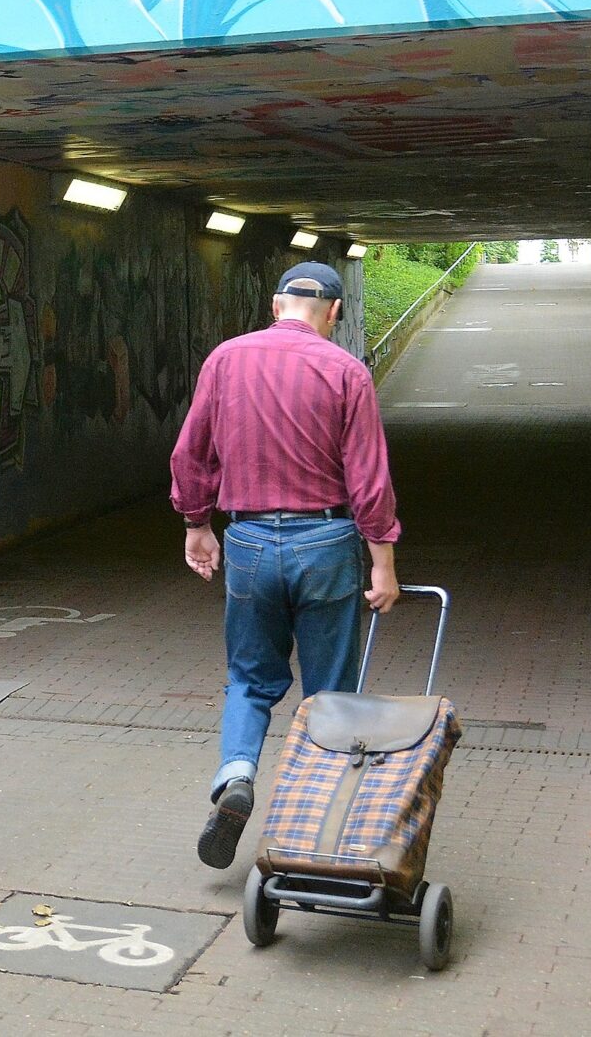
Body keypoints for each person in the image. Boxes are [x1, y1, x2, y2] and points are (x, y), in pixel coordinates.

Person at [171, 259, 402, 869]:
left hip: (247, 541)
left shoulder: (224, 360)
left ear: (275, 307)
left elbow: (191, 452)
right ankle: (317, 816)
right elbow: (369, 480)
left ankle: (237, 777)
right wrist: (383, 563)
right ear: (333, 313)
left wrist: (198, 525)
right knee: (330, 694)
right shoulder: (347, 371)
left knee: (249, 679)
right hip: (326, 543)